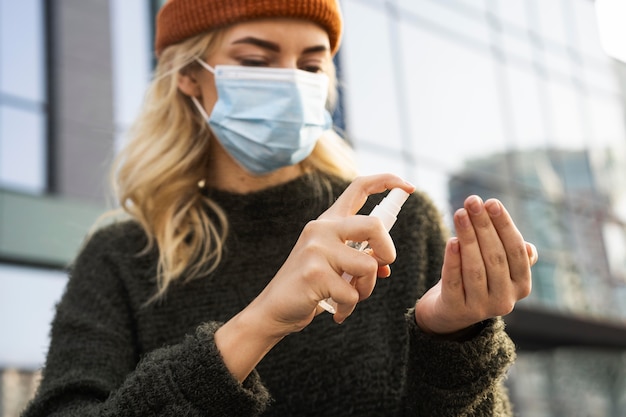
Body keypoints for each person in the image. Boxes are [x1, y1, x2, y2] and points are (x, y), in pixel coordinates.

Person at [22, 0, 537, 416]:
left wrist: (452, 336)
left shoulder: (397, 222)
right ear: (187, 74)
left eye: (311, 64)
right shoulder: (121, 257)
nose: (291, 81)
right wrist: (260, 323)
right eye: (254, 60)